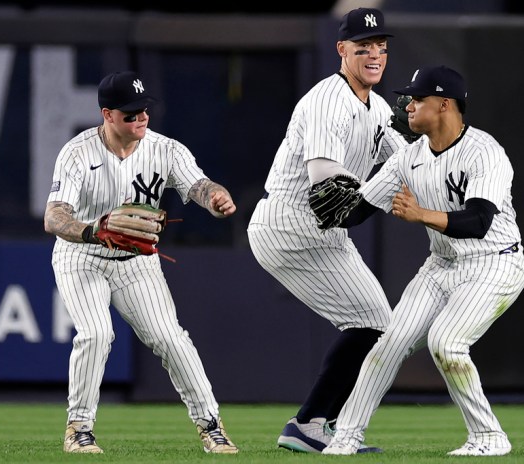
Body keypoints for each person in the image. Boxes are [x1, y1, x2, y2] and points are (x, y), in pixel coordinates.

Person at [321, 65, 524, 456]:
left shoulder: (485, 151)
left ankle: (489, 437)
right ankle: (347, 435)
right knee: (388, 344)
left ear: (445, 105)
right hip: (441, 265)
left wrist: (422, 215)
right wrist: (326, 201)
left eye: (418, 99)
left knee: (447, 343)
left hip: (494, 263)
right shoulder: (408, 157)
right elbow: (356, 210)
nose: (409, 106)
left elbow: (480, 221)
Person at [44, 71, 238, 454]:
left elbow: (198, 185)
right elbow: (53, 217)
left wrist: (216, 197)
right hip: (81, 256)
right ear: (107, 115)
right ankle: (79, 428)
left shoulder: (165, 149)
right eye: (130, 114)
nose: (141, 119)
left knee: (171, 338)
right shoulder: (78, 152)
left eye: (144, 110)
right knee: (96, 335)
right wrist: (91, 232)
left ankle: (211, 425)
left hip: (135, 260)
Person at [246, 7, 410, 454]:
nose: (374, 55)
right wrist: (387, 193)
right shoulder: (327, 100)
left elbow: (410, 162)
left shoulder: (375, 106)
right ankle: (311, 424)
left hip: (319, 230)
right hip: (292, 224)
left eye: (381, 48)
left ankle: (313, 423)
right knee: (374, 324)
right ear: (341, 50)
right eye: (363, 48)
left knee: (378, 325)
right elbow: (329, 189)